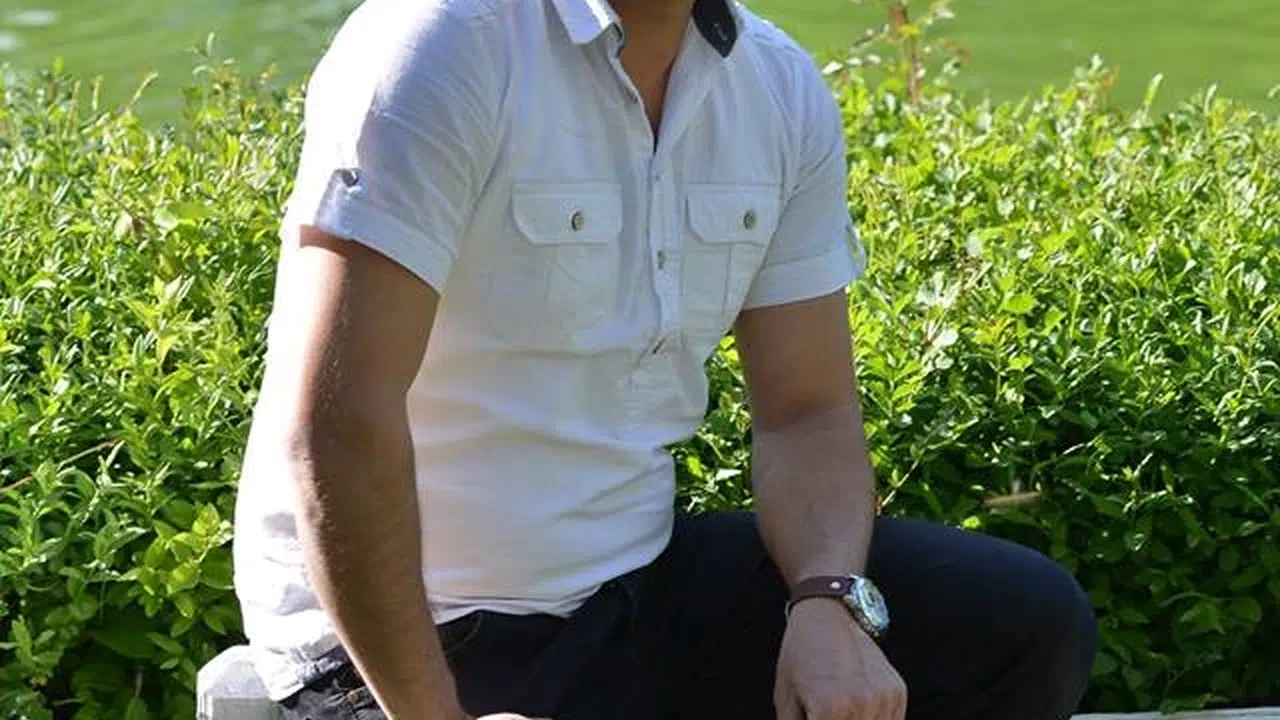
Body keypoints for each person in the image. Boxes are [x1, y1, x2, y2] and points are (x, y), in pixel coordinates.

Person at [231, 0, 1098, 717]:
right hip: (400, 639)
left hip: (629, 590)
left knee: (1019, 623)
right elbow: (339, 426)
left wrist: (827, 601)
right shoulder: (441, 42)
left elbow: (809, 412)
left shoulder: (776, 83)